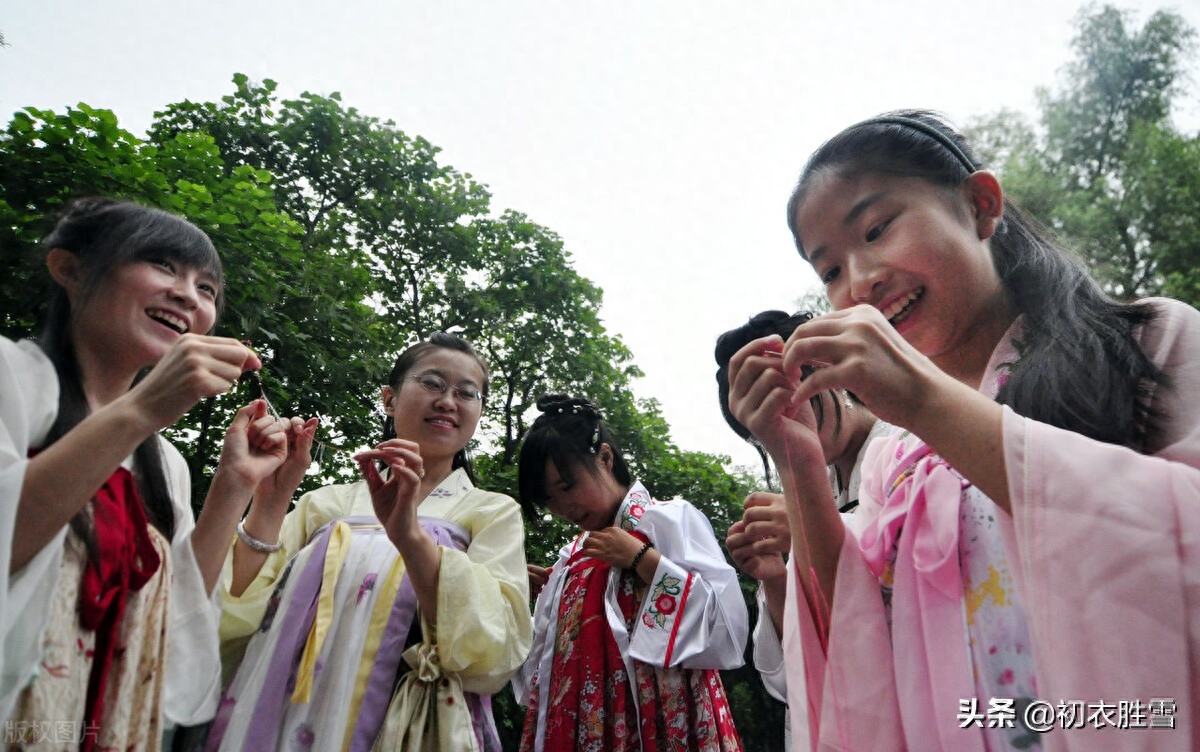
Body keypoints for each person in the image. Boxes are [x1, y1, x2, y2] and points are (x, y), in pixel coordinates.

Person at [727, 110, 1200, 751]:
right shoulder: (892, 459)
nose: (861, 280)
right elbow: (861, 652)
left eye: (876, 228)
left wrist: (926, 403)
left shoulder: (1149, 340)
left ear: (980, 206)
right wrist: (798, 461)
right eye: (830, 271)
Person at [2, 197, 287, 750]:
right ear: (71, 268)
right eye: (162, 265)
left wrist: (235, 485)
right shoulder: (10, 376)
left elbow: (177, 615)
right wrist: (140, 411)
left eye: (206, 288)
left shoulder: (166, 462)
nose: (187, 294)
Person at [211, 332, 531, 752]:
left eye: (466, 393)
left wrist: (410, 537)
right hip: (277, 718)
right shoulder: (326, 504)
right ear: (389, 399)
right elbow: (233, 616)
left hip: (404, 730)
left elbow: (496, 651)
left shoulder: (491, 511)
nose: (448, 401)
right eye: (432, 383)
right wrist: (270, 502)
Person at [513, 394, 748, 752]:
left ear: (605, 457)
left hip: (665, 726)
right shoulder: (568, 562)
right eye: (549, 499)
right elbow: (543, 673)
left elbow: (726, 629)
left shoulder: (669, 520)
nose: (563, 507)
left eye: (567, 486)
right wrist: (516, 599)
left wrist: (643, 560)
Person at [716, 310, 891, 750]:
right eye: (760, 431)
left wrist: (809, 530)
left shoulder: (913, 445)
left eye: (793, 404)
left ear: (828, 372)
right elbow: (790, 678)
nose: (787, 426)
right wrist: (775, 579)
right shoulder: (803, 494)